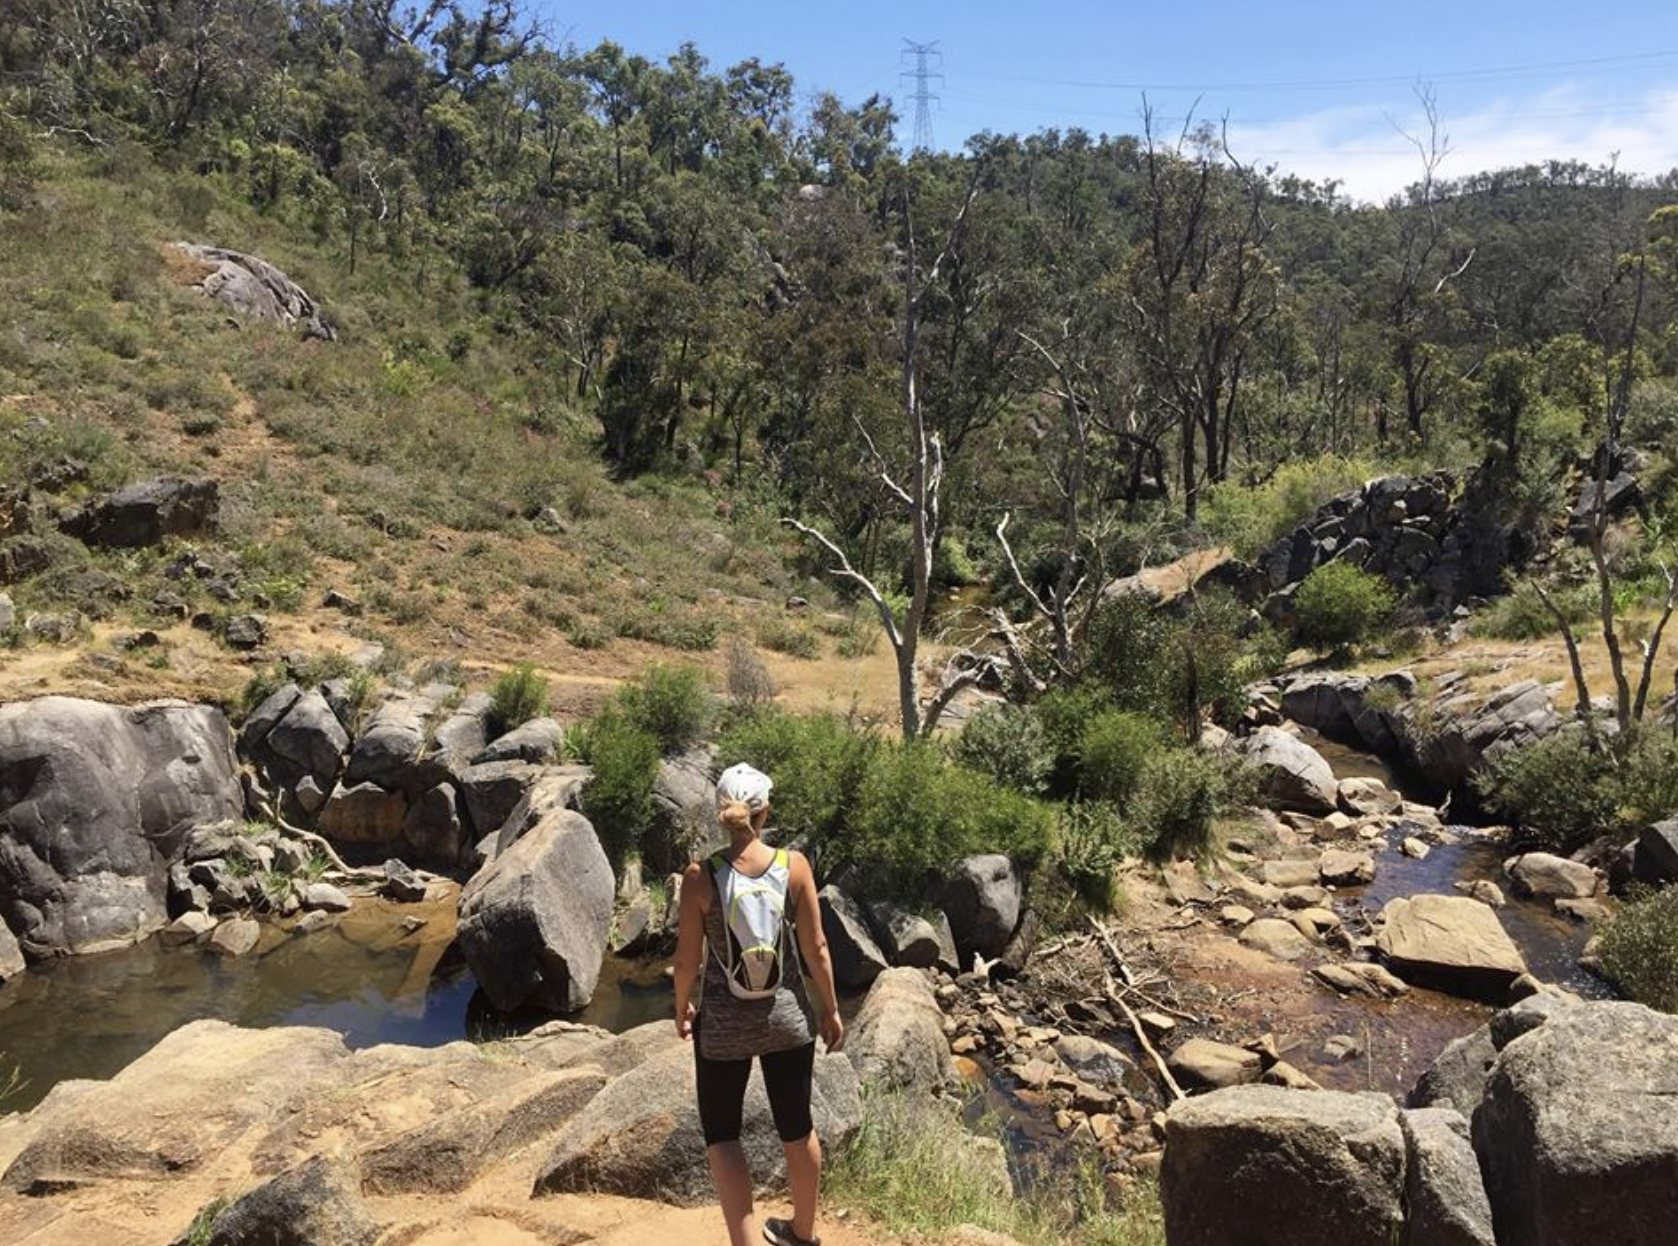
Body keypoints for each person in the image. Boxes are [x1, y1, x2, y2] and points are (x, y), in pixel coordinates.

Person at [673, 762, 844, 1246]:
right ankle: (803, 1234)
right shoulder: (796, 867)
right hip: (788, 1020)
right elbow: (817, 949)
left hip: (723, 1029)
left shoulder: (699, 877)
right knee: (797, 1128)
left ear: (719, 811)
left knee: (723, 1137)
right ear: (765, 811)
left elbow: (686, 961)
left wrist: (681, 1008)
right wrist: (830, 1009)